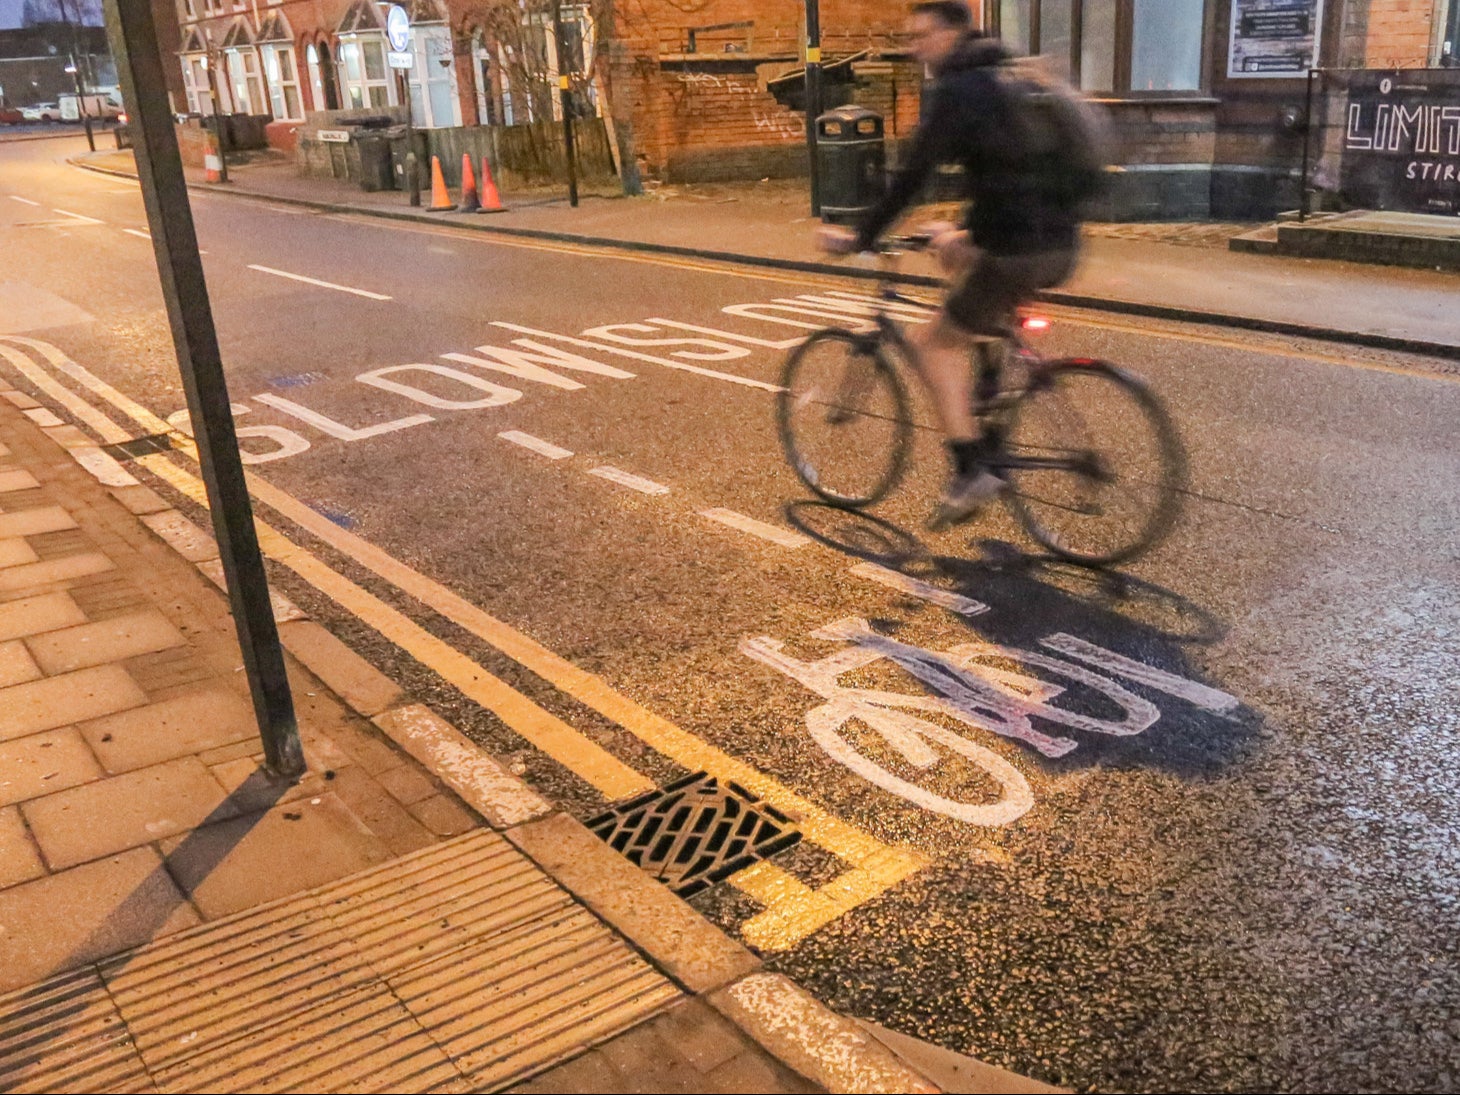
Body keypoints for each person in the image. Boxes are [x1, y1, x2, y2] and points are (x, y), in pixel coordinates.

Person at [819, 0, 1083, 530]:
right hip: (1060, 242)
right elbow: (1007, 172)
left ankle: (970, 471)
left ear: (952, 34)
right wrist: (961, 231)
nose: (916, 48)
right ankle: (987, 387)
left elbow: (913, 173)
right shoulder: (1012, 74)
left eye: (923, 37)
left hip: (1014, 247)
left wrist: (859, 237)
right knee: (960, 263)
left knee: (931, 344)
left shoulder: (959, 90)